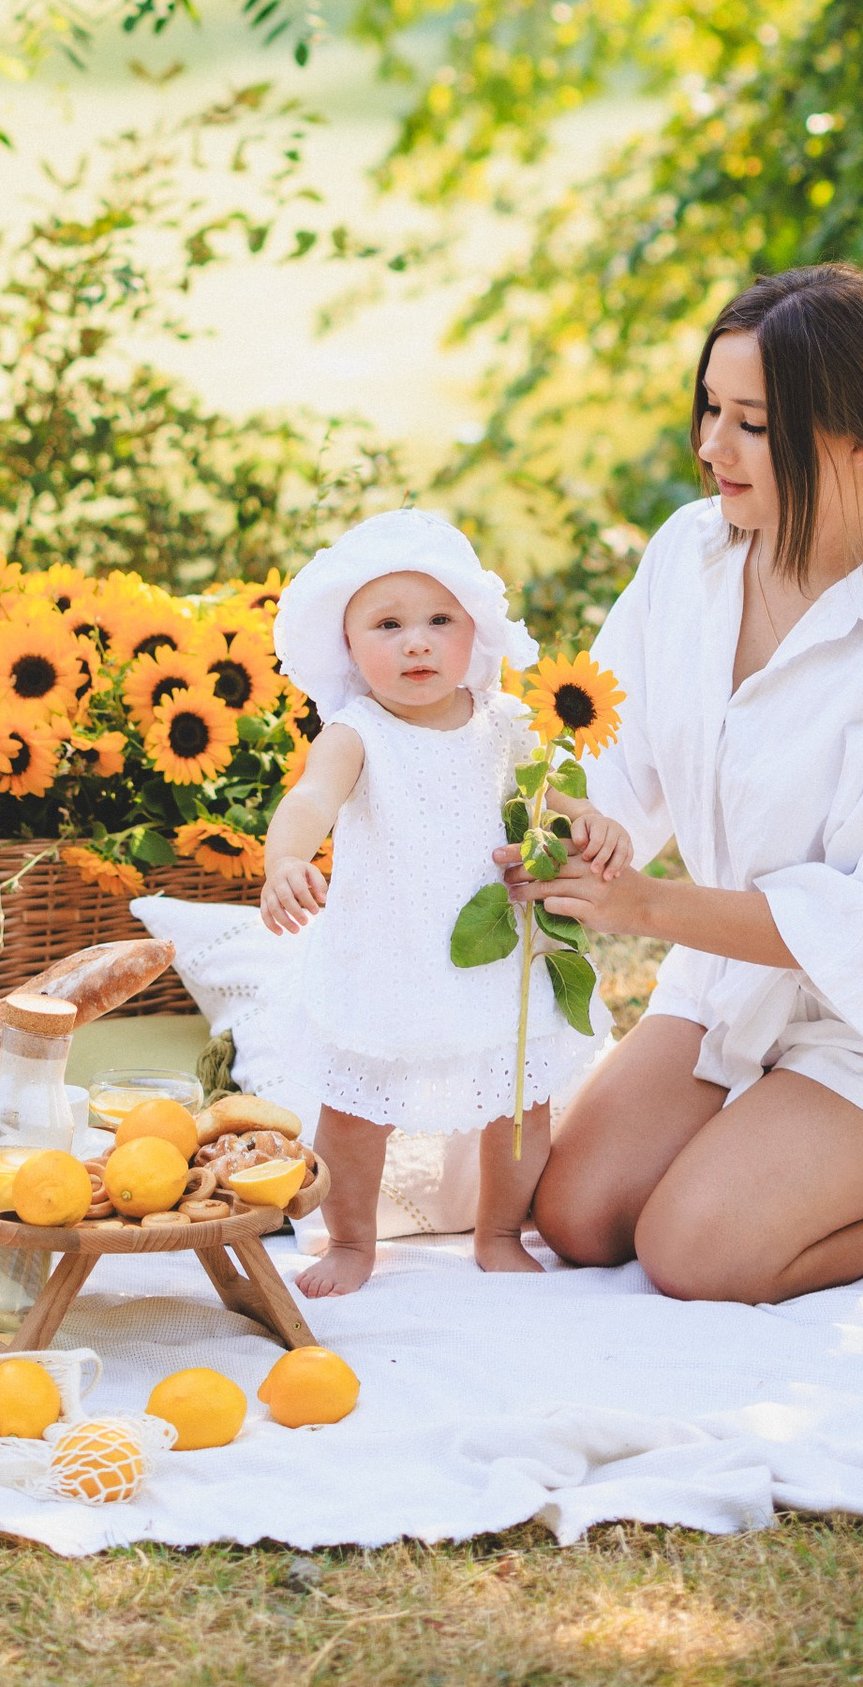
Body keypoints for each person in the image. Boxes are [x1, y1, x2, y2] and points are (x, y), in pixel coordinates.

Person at [527, 263, 863, 1304]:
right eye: (708, 411)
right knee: (579, 1217)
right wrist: (562, 822)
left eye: (750, 425)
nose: (709, 449)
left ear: (852, 437)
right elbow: (611, 762)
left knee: (692, 1252)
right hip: (741, 984)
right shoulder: (690, 555)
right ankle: (772, 1129)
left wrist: (645, 906)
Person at [263, 508, 615, 1295]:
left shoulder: (507, 725)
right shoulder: (356, 732)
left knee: (519, 1098)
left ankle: (498, 1230)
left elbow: (557, 796)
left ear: (475, 634)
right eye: (387, 624)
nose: (416, 641)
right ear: (349, 647)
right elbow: (313, 797)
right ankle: (350, 1240)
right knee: (357, 1108)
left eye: (438, 620)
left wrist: (591, 822)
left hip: (498, 955)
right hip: (386, 949)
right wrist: (286, 856)